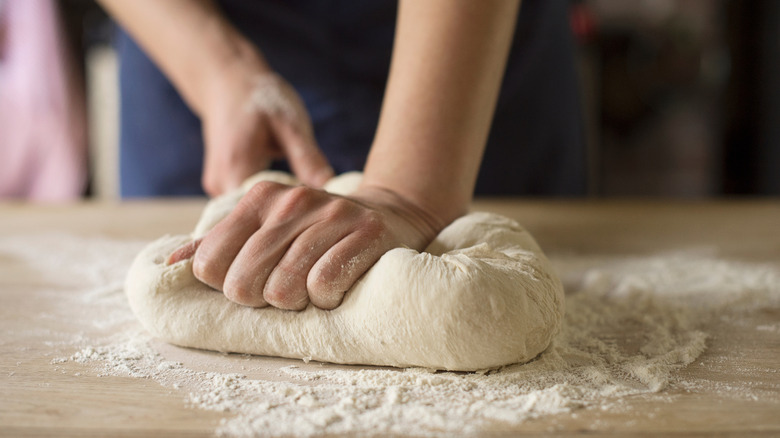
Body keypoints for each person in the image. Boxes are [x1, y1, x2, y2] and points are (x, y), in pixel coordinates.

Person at [100, 0, 585, 311]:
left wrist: (411, 195)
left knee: (493, 299)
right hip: (190, 26)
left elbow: (417, 198)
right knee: (204, 273)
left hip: (461, 38)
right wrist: (219, 69)